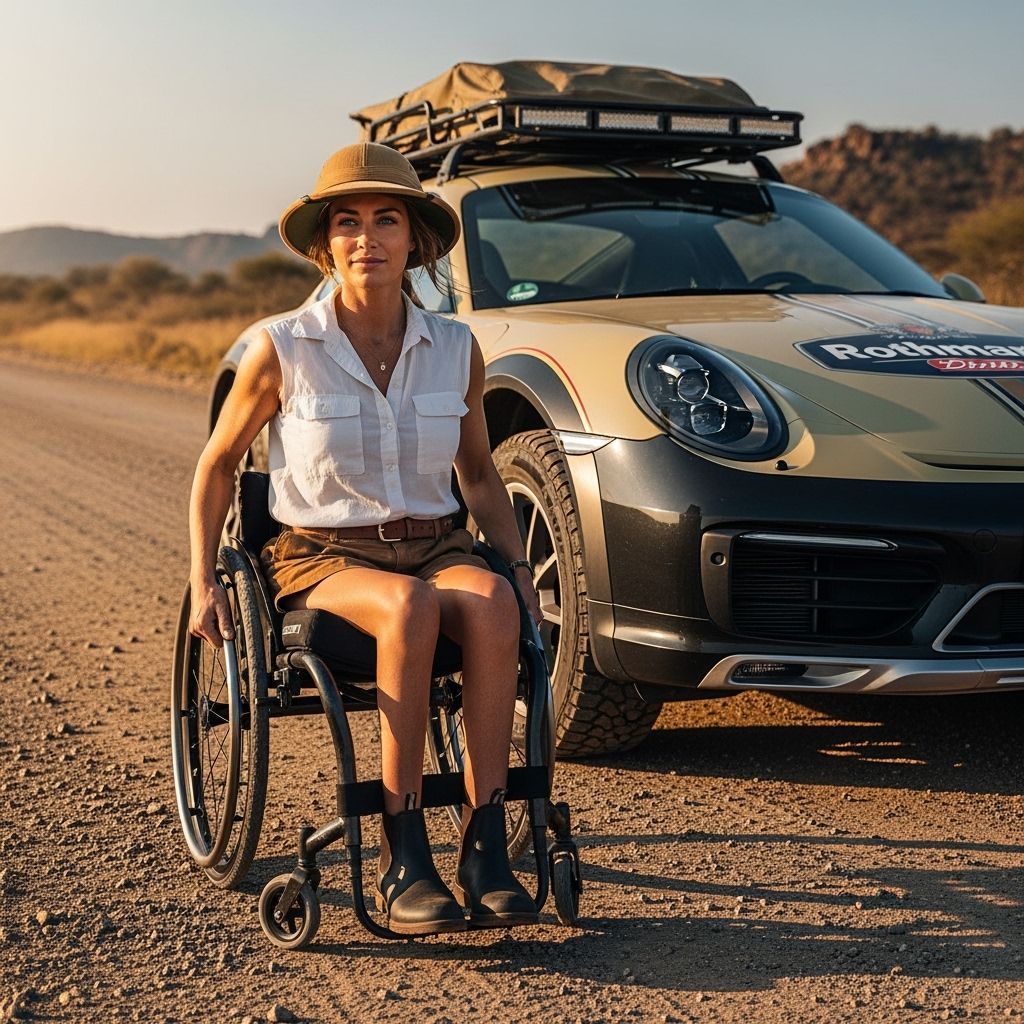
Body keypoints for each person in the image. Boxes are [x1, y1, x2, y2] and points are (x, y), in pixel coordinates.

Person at [187, 142, 543, 936]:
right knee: (409, 606)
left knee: (489, 607)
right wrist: (202, 579)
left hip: (437, 543)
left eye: (387, 219)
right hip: (322, 556)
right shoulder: (281, 347)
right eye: (348, 222)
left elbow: (480, 477)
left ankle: (488, 847)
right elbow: (216, 466)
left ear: (415, 239)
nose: (367, 237)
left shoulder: (457, 348)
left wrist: (518, 568)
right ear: (325, 244)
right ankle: (401, 854)